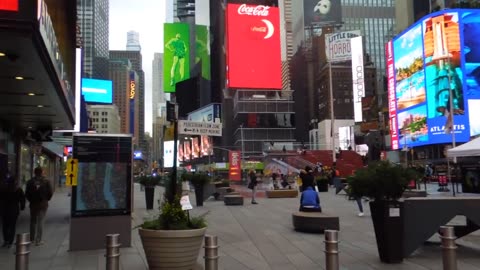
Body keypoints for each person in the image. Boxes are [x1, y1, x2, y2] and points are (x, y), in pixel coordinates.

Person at [26, 167, 53, 246]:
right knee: (40, 221)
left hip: (33, 204)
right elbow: (50, 192)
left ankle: (32, 239)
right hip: (43, 204)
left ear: (34, 172)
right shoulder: (46, 181)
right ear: (42, 172)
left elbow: (27, 193)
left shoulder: (30, 182)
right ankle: (38, 240)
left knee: (33, 221)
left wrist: (31, 200)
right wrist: (46, 200)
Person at [0, 172, 25, 248]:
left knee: (5, 226)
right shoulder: (18, 189)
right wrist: (22, 207)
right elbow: (22, 199)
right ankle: (10, 241)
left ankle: (6, 240)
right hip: (14, 210)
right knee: (12, 226)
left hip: (5, 209)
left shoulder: (3, 189)